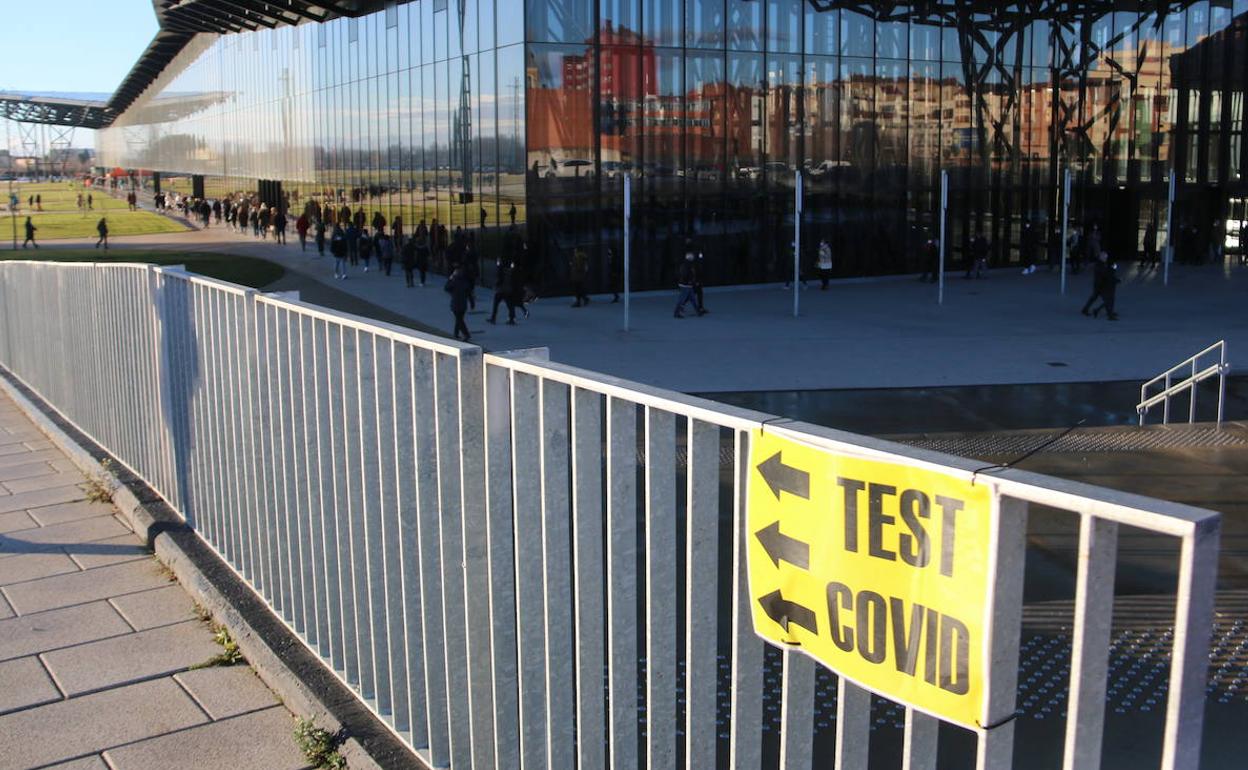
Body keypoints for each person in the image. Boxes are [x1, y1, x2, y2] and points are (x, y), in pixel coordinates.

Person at [1081, 251, 1120, 320]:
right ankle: (1109, 314)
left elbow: (1108, 272)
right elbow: (1106, 273)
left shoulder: (1102, 264)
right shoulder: (1099, 265)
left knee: (1096, 297)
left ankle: (1086, 309)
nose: (1105, 258)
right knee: (1108, 299)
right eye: (1104, 257)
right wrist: (1113, 269)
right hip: (1101, 285)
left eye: (1106, 257)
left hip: (1101, 285)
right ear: (1100, 257)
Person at [445, 267, 473, 341]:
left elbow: (446, 288)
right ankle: (456, 333)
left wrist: (450, 279)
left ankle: (466, 334)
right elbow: (469, 294)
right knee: (459, 318)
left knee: (459, 319)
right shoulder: (465, 282)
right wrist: (472, 303)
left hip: (455, 303)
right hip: (463, 303)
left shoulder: (453, 282)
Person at [487, 256, 517, 325]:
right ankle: (511, 318)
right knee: (510, 305)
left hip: (501, 290)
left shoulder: (501, 270)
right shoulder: (509, 270)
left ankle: (493, 318)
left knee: (496, 304)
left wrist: (496, 285)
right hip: (508, 290)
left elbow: (499, 280)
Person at [674, 251, 701, 318]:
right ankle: (676, 313)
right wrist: (689, 281)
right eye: (692, 257)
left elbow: (691, 275)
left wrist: (693, 282)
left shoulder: (689, 264)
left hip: (688, 285)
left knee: (692, 298)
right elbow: (685, 275)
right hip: (685, 285)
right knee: (682, 299)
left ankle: (698, 311)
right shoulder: (686, 265)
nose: (693, 258)